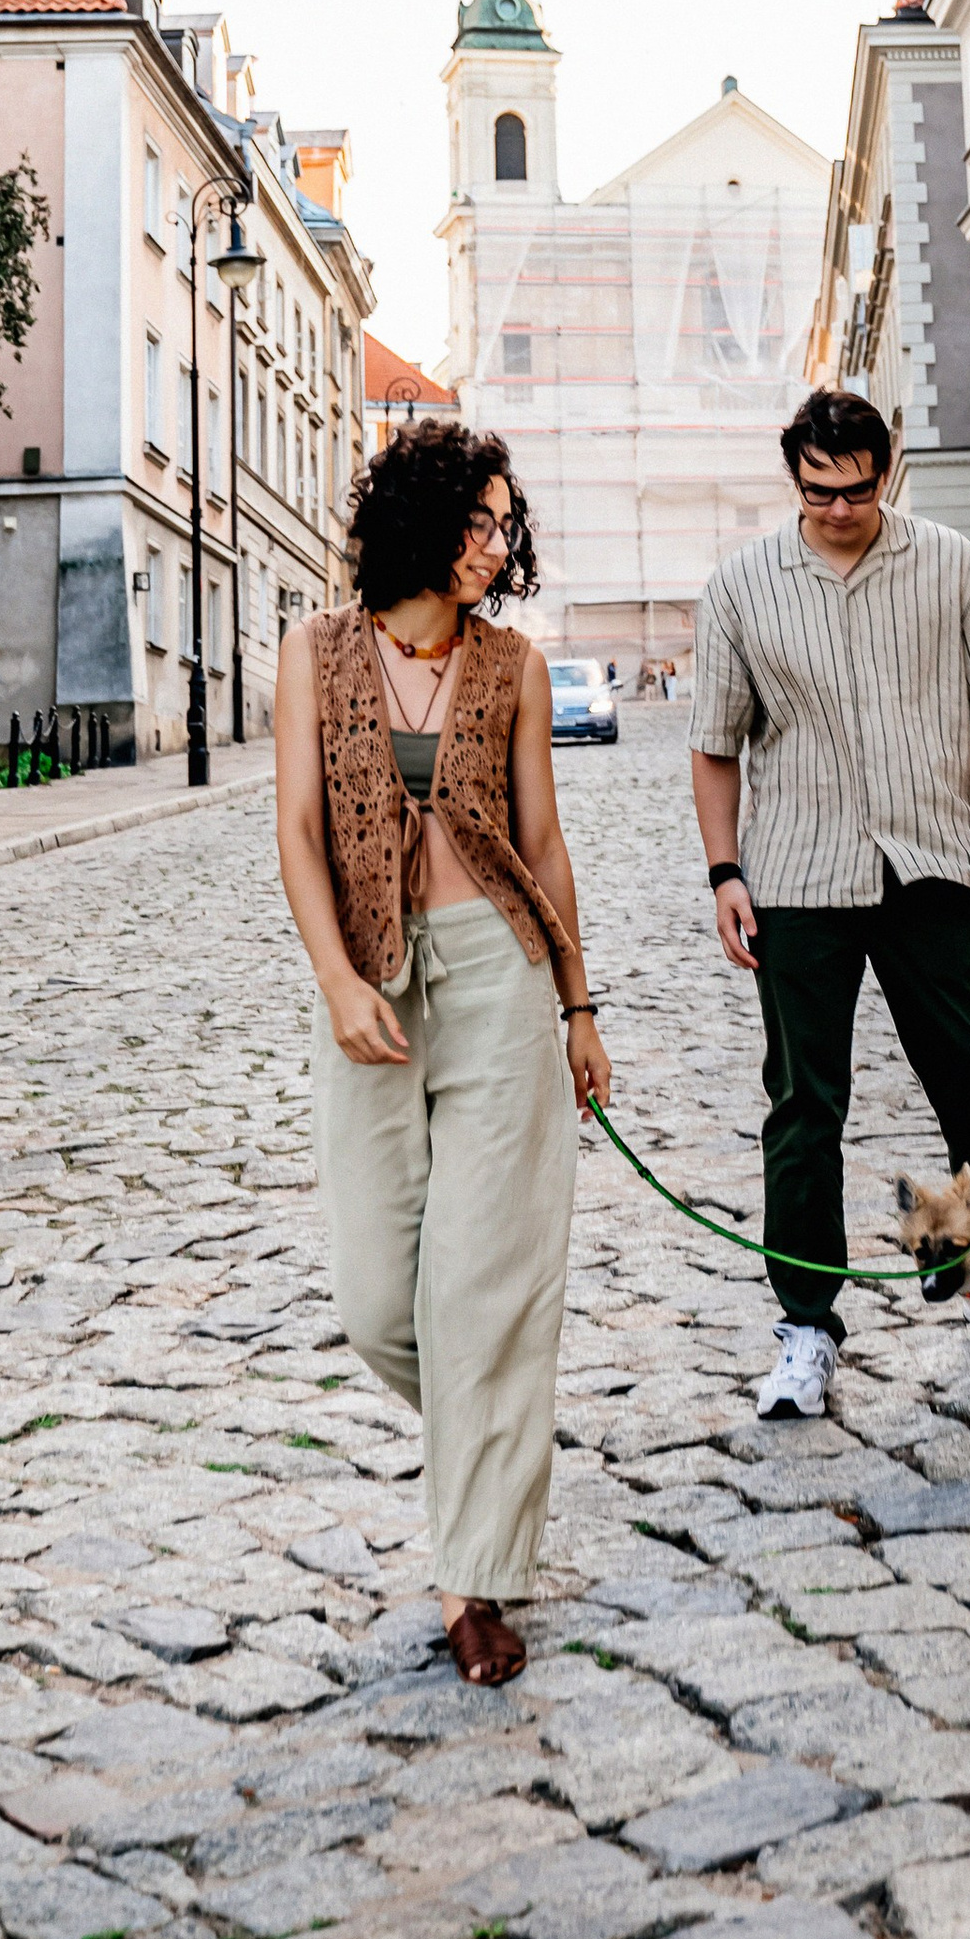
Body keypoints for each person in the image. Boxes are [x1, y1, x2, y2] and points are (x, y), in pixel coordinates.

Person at [275, 420, 610, 1683]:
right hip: (368, 991)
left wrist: (579, 1005)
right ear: (418, 521)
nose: (494, 544)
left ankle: (478, 1585)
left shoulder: (513, 666)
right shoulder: (313, 652)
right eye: (477, 521)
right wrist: (337, 978)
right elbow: (299, 832)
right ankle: (495, 1438)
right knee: (377, 1302)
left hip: (501, 985)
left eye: (503, 525)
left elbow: (548, 846)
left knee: (493, 1292)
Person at [691, 386, 970, 1421]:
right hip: (798, 877)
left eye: (853, 489)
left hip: (933, 862)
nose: (836, 507)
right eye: (815, 490)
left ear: (884, 472)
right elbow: (715, 746)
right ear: (792, 476)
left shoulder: (950, 566)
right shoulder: (743, 587)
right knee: (805, 1111)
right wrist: (724, 873)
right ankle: (806, 1329)